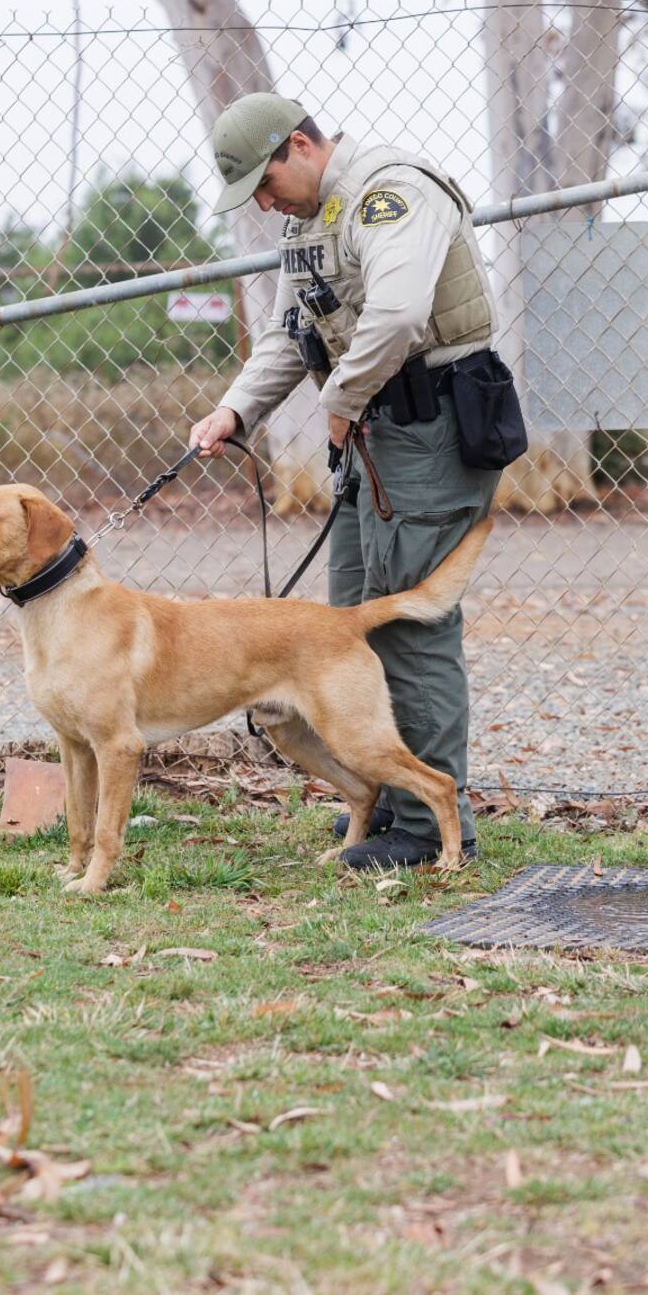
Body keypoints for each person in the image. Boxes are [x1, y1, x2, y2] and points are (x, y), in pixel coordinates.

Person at [190, 94, 500, 870]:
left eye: (264, 183)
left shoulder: (392, 193)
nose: (263, 204)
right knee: (351, 623)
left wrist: (338, 402)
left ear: (300, 144)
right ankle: (397, 800)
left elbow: (396, 316)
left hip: (426, 426)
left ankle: (429, 830)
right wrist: (234, 411)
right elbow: (290, 334)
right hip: (370, 433)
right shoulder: (311, 220)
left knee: (409, 623)